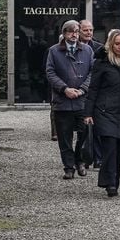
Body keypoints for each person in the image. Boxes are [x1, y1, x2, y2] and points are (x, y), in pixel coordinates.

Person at [84, 30, 120, 197]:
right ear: (111, 45)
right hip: (104, 111)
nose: (119, 47)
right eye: (116, 44)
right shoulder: (102, 63)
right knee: (110, 147)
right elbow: (94, 88)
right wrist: (88, 113)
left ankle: (112, 181)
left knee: (119, 149)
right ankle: (110, 183)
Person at [46, 20, 94, 180]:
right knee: (64, 137)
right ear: (64, 33)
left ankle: (79, 160)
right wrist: (65, 89)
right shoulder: (54, 51)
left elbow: (92, 73)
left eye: (76, 31)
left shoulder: (87, 50)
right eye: (70, 31)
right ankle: (68, 167)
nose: (74, 34)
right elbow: (50, 72)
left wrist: (82, 90)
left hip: (82, 101)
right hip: (62, 101)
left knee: (84, 134)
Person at [79, 19, 105, 168]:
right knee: (83, 128)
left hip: (96, 91)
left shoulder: (99, 48)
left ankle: (98, 157)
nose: (89, 33)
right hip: (80, 91)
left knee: (96, 126)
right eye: (85, 30)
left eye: (91, 30)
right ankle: (84, 156)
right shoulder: (74, 47)